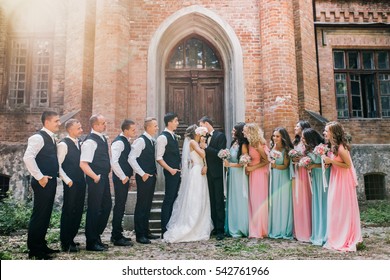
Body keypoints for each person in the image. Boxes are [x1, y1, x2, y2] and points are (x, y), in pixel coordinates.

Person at [163, 125, 213, 243]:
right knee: (195, 198)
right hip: (196, 173)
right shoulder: (192, 143)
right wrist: (202, 143)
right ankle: (192, 224)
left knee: (201, 198)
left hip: (200, 171)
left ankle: (201, 223)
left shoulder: (195, 142)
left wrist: (205, 165)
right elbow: (203, 154)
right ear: (196, 133)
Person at [23, 110, 61, 259]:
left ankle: (41, 245)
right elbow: (28, 158)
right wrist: (40, 177)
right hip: (42, 182)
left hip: (49, 182)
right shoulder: (37, 138)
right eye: (56, 121)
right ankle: (35, 250)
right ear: (47, 122)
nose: (59, 123)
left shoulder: (51, 138)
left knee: (45, 215)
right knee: (39, 215)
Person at [322, 121, 362, 251]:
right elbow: (337, 163)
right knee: (335, 208)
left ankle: (346, 237)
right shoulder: (333, 146)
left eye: (327, 130)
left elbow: (348, 165)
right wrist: (329, 163)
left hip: (343, 181)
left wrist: (331, 161)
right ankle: (337, 235)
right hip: (336, 178)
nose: (325, 133)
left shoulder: (341, 148)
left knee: (342, 208)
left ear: (334, 132)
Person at [80, 114, 112, 251]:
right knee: (94, 209)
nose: (105, 125)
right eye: (103, 123)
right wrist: (95, 177)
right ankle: (91, 242)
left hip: (103, 178)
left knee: (106, 206)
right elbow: (83, 164)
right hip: (96, 179)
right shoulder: (90, 141)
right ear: (95, 125)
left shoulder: (102, 138)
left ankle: (96, 236)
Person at [129, 117, 159, 244]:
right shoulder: (141, 141)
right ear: (148, 127)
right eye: (155, 126)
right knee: (141, 205)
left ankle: (146, 231)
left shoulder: (152, 141)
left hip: (151, 177)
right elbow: (131, 158)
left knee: (147, 205)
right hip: (144, 178)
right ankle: (140, 234)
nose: (157, 128)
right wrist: (142, 174)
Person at [57, 118, 86, 253]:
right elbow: (58, 166)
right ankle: (65, 242)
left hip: (81, 181)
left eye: (80, 127)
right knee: (69, 211)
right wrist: (68, 181)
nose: (81, 130)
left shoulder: (80, 143)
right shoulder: (63, 144)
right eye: (78, 128)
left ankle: (72, 239)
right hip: (70, 183)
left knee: (78, 211)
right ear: (70, 130)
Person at [199, 116, 227, 240]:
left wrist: (206, 147)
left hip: (217, 174)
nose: (200, 128)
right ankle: (214, 227)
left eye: (201, 125)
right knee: (210, 201)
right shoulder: (202, 138)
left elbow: (220, 154)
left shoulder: (220, 136)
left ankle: (220, 230)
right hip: (206, 174)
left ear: (207, 123)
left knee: (218, 201)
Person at [110, 119, 137, 246]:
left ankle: (118, 233)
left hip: (124, 178)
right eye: (133, 129)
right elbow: (114, 161)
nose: (135, 131)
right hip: (120, 179)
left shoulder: (126, 141)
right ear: (125, 130)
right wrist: (123, 177)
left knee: (121, 205)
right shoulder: (119, 143)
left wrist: (128, 177)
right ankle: (116, 236)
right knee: (119, 206)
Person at [301, 128, 329, 246]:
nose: (302, 139)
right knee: (317, 203)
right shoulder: (308, 151)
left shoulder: (323, 147)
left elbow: (328, 163)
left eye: (304, 137)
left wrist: (313, 165)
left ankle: (327, 232)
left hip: (325, 177)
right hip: (316, 178)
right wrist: (307, 165)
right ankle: (318, 232)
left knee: (325, 203)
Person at [243, 123, 270, 238]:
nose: (243, 132)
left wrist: (252, 168)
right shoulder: (250, 144)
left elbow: (266, 160)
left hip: (259, 173)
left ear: (251, 132)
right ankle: (254, 227)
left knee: (258, 200)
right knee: (253, 200)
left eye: (245, 131)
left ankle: (260, 229)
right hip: (253, 173)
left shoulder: (258, 143)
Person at [156, 112, 181, 235]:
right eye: (176, 121)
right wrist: (170, 169)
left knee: (174, 198)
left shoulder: (173, 136)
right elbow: (159, 158)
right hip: (170, 173)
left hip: (176, 173)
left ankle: (171, 224)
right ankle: (164, 228)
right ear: (169, 122)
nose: (177, 123)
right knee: (168, 199)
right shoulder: (163, 137)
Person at [224, 122, 250, 238]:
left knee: (239, 199)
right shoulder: (233, 143)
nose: (232, 132)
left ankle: (240, 227)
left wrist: (230, 165)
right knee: (232, 199)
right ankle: (232, 226)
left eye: (234, 130)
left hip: (239, 175)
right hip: (232, 174)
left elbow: (243, 163)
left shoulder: (243, 145)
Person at [268, 127, 294, 239]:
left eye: (277, 136)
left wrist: (275, 166)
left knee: (283, 202)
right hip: (273, 177)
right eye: (274, 136)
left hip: (283, 177)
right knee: (274, 201)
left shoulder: (286, 149)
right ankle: (275, 227)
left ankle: (284, 229)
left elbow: (285, 165)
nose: (275, 138)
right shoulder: (272, 147)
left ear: (282, 137)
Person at [291, 120, 312, 242]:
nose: (295, 127)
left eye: (297, 126)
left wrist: (302, 159)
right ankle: (298, 230)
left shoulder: (306, 142)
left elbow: (310, 156)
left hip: (305, 173)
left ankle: (306, 230)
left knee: (305, 199)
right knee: (297, 200)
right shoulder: (297, 142)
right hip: (297, 171)